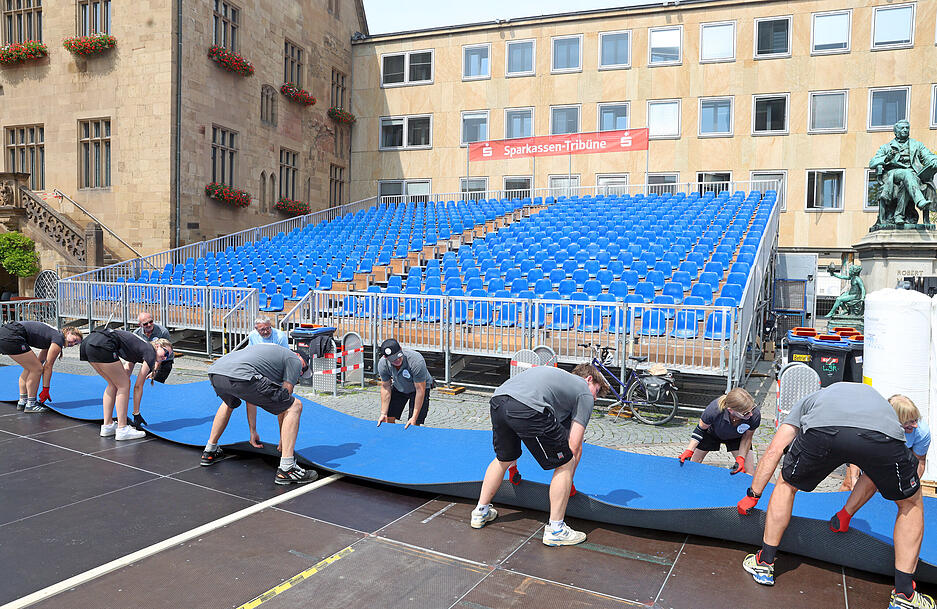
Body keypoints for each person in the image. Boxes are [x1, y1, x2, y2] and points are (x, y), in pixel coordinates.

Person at [736, 382, 931, 609]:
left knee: (787, 484)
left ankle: (764, 563)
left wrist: (753, 494)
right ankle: (904, 595)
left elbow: (774, 450)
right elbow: (871, 474)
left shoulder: (809, 403)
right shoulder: (875, 402)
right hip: (882, 437)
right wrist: (847, 513)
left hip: (824, 431)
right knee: (910, 504)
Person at [469, 364, 609, 547]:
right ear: (589, 379)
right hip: (527, 406)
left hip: (498, 400)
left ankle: (481, 511)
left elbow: (518, 408)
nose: (595, 397)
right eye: (597, 391)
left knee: (503, 458)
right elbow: (574, 446)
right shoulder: (584, 392)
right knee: (566, 462)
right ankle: (556, 530)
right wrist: (569, 482)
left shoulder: (555, 380)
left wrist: (513, 467)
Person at [200, 343, 316, 485]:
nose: (300, 374)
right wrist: (283, 440)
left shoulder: (269, 359)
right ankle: (287, 468)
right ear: (299, 357)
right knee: (295, 406)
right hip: (241, 375)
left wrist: (252, 431)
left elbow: (251, 399)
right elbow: (285, 405)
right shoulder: (294, 359)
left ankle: (210, 450)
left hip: (216, 373)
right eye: (303, 370)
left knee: (229, 404)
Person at [830, 395, 931, 535]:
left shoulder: (921, 431)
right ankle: (840, 515)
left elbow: (919, 461)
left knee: (910, 498)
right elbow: (857, 455)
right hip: (873, 447)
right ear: (896, 421)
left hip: (902, 452)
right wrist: (853, 477)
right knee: (855, 482)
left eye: (916, 420)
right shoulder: (872, 426)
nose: (915, 425)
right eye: (910, 421)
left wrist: (911, 487)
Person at [79, 329, 173, 441]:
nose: (165, 357)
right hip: (103, 343)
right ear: (157, 345)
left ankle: (107, 425)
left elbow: (126, 371)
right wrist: (136, 413)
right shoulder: (150, 352)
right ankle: (122, 428)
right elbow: (138, 386)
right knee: (124, 385)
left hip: (89, 343)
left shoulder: (139, 348)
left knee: (114, 384)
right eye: (166, 353)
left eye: (168, 356)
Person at [0, 322, 83, 413]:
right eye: (74, 339)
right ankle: (31, 404)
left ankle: (22, 401)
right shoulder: (59, 338)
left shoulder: (52, 336)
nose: (73, 344)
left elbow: (41, 360)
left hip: (6, 333)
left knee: (31, 367)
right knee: (37, 369)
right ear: (68, 333)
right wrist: (45, 389)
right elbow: (48, 367)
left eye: (75, 344)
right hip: (13, 334)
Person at [869, 120, 937, 227]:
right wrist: (887, 158)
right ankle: (920, 201)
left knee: (908, 179)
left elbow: (928, 156)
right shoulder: (887, 147)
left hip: (913, 176)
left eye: (907, 128)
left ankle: (899, 215)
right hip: (893, 174)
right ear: (896, 132)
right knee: (907, 174)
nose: (905, 130)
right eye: (902, 128)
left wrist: (934, 161)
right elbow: (872, 162)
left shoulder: (916, 145)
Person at [678, 387, 758, 474]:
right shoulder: (714, 410)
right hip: (711, 434)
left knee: (748, 471)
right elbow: (700, 429)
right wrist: (689, 450)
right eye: (746, 413)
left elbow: (747, 437)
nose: (751, 414)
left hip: (737, 436)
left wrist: (741, 458)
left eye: (752, 409)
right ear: (731, 410)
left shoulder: (754, 414)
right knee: (692, 464)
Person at [376, 338, 433, 428]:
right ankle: (393, 437)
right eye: (393, 359)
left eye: (399, 356)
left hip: (418, 388)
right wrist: (383, 413)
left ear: (401, 349)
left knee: (414, 422)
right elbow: (386, 387)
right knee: (389, 417)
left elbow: (420, 390)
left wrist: (414, 417)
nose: (397, 360)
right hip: (399, 385)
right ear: (385, 357)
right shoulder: (383, 364)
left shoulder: (416, 360)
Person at [134, 312, 174, 383]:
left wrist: (154, 370)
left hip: (164, 360)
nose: (149, 325)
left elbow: (164, 355)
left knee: (156, 381)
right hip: (149, 360)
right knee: (144, 380)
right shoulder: (136, 334)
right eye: (145, 324)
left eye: (151, 322)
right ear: (140, 325)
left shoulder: (163, 332)